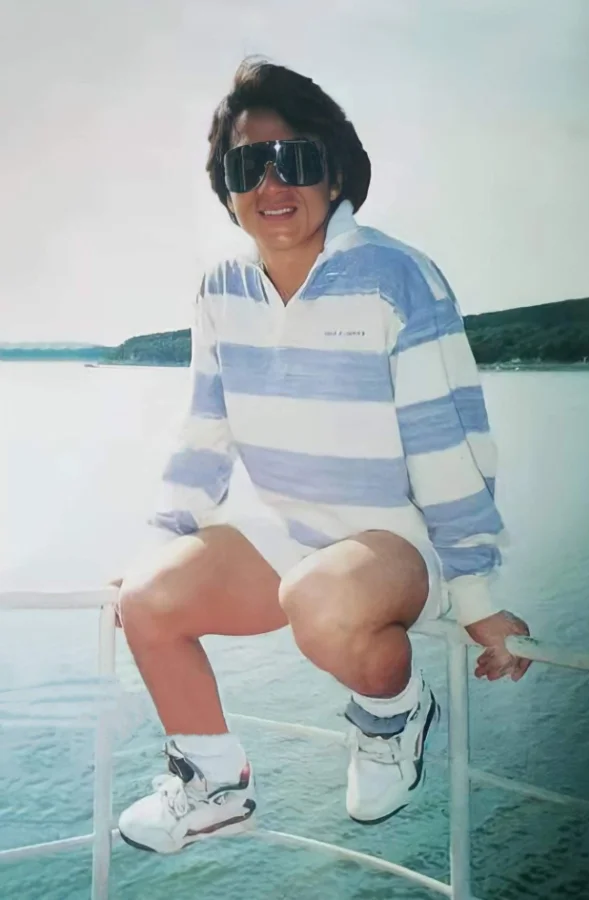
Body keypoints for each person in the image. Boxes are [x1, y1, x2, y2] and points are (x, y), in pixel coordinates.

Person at [116, 58, 530, 855]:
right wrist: (164, 539)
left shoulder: (395, 277)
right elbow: (204, 429)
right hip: (292, 540)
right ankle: (213, 786)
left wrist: (476, 595)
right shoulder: (221, 289)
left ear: (335, 172)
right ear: (227, 188)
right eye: (247, 166)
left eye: (295, 159)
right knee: (148, 598)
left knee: (321, 601)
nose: (272, 184)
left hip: (396, 550)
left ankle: (394, 715)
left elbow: (447, 441)